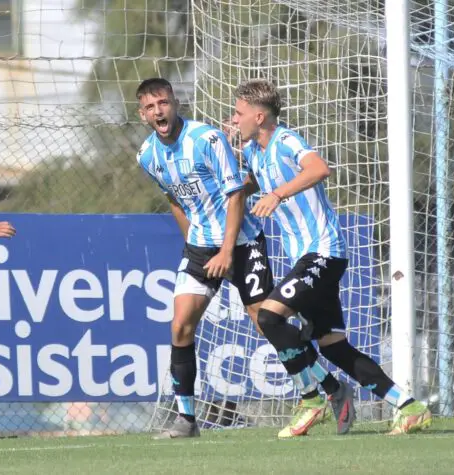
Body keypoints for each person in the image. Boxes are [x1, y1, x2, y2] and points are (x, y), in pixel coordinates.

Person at [135, 78, 336, 439]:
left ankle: (324, 387)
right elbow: (175, 201)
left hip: (241, 242)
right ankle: (186, 420)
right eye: (150, 107)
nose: (158, 111)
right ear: (142, 114)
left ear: (174, 103)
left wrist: (227, 251)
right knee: (180, 325)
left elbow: (236, 195)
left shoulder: (206, 140)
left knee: (265, 321)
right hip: (200, 248)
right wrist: (194, 248)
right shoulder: (147, 155)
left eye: (163, 103)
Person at [232, 79, 432, 438]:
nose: (234, 119)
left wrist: (276, 194)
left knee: (268, 316)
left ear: (259, 116)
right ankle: (408, 406)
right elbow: (250, 182)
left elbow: (319, 168)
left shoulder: (286, 141)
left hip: (323, 252)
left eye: (239, 113)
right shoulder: (253, 152)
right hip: (306, 257)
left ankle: (312, 399)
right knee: (333, 346)